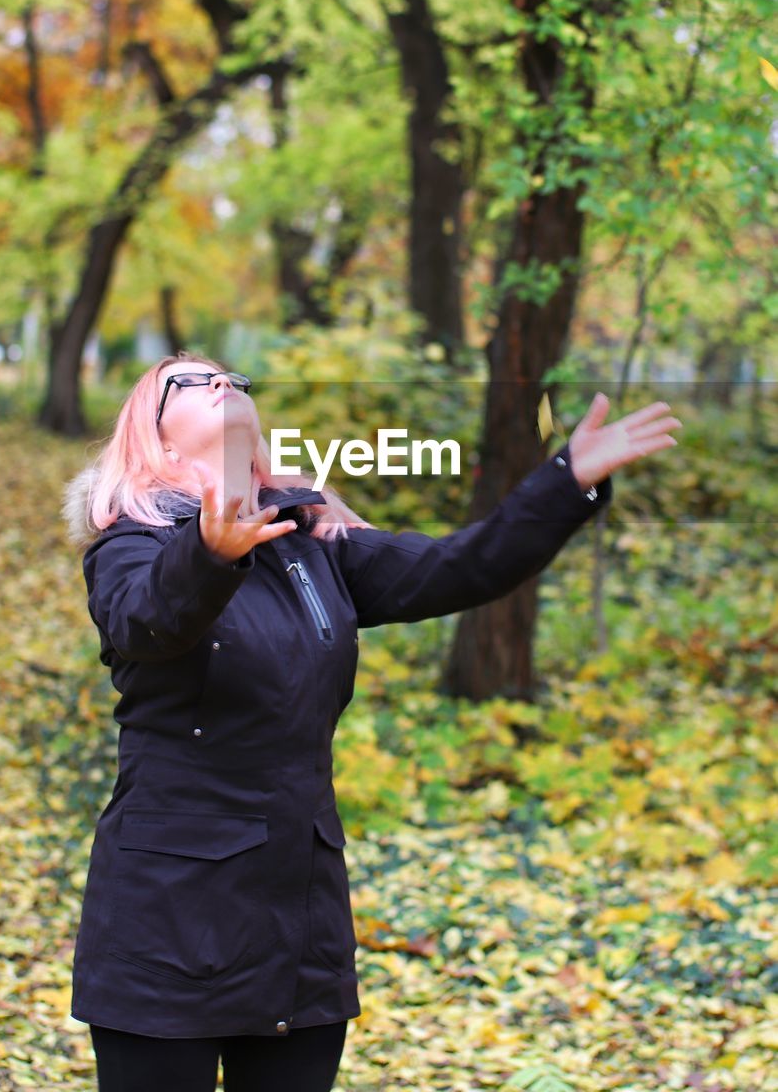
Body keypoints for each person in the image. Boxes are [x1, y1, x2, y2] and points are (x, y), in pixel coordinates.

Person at [64, 352, 682, 1092]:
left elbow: (462, 566)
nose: (223, 382)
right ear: (156, 438)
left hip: (296, 917)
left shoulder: (307, 544)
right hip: (165, 922)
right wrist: (207, 551)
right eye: (192, 381)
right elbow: (147, 624)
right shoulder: (131, 546)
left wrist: (565, 480)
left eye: (233, 378)